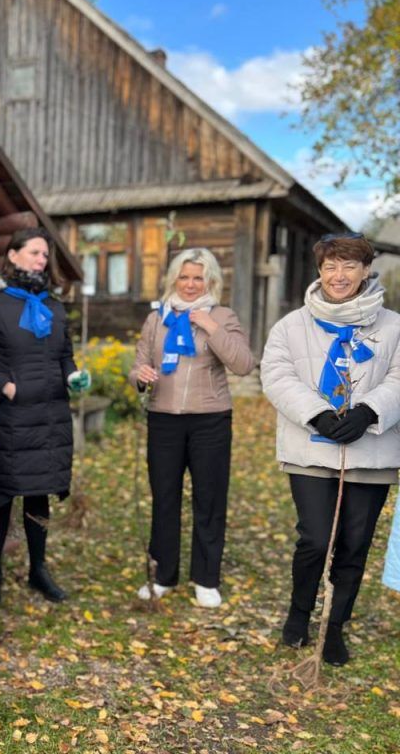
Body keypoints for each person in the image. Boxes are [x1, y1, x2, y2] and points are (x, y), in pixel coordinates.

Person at [262, 232, 400, 666]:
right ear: (320, 271)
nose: (338, 275)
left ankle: (335, 627)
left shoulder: (393, 326)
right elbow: (278, 375)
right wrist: (317, 415)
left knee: (355, 543)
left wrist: (369, 411)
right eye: (330, 267)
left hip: (371, 453)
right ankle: (299, 615)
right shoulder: (291, 325)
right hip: (310, 449)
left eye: (348, 266)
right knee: (316, 539)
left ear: (365, 271)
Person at [0, 227, 90, 606]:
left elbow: (64, 354)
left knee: (39, 492)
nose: (41, 260)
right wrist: (4, 385)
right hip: (9, 414)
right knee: (1, 493)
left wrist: (73, 375)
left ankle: (39, 569)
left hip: (50, 413)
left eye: (44, 255)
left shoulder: (53, 306)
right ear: (14, 255)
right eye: (35, 253)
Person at [128, 248, 255, 608]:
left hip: (209, 420)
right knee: (164, 498)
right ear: (173, 279)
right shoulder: (157, 319)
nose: (189, 284)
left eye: (197, 277)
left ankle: (206, 578)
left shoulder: (223, 315)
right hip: (163, 419)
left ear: (210, 281)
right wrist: (141, 376)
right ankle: (164, 574)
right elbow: (138, 365)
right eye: (184, 277)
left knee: (209, 499)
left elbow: (244, 364)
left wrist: (211, 326)